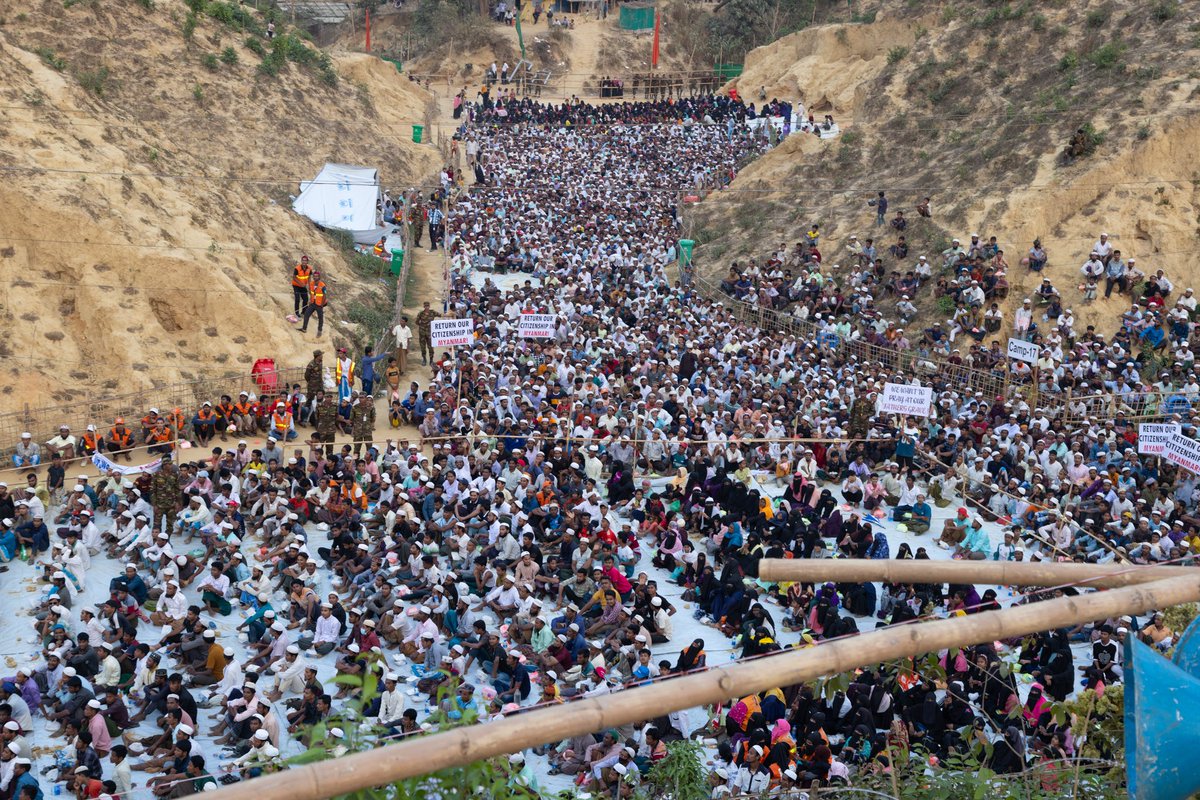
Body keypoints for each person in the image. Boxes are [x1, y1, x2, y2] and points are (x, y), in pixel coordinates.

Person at [299, 271, 328, 337]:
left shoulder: (322, 285)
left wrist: (322, 304)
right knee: (306, 314)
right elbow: (311, 293)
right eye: (314, 276)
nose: (315, 277)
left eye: (317, 276)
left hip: (319, 304)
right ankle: (304, 329)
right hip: (312, 303)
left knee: (320, 318)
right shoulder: (311, 284)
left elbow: (324, 296)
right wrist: (311, 300)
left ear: (319, 277)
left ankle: (319, 331)